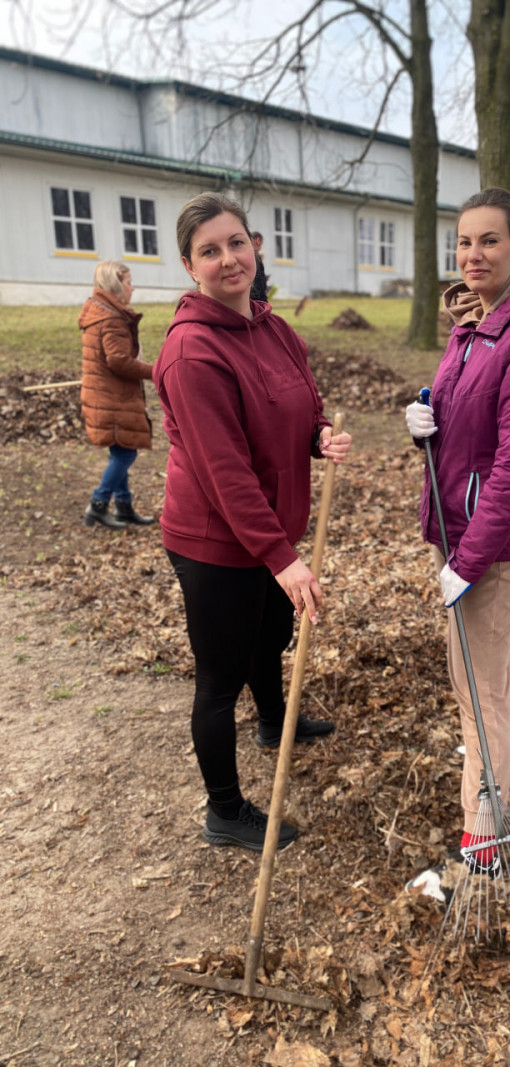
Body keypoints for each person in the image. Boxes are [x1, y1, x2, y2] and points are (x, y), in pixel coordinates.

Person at [153, 192, 352, 852]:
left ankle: (274, 721)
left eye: (236, 242)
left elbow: (303, 404)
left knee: (270, 634)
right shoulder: (191, 354)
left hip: (269, 533)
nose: (228, 259)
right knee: (219, 679)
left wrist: (320, 435)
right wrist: (282, 557)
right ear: (190, 266)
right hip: (215, 541)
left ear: (255, 246)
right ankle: (225, 810)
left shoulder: (273, 328)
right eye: (209, 251)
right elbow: (224, 469)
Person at [404, 188, 510, 901]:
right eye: (464, 242)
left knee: (473, 682)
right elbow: (462, 407)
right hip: (453, 522)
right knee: (492, 648)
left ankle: (486, 832)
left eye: (489, 242)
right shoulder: (472, 323)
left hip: (487, 539)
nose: (473, 255)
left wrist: (470, 561)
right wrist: (426, 413)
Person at [79, 261, 154, 529]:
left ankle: (123, 506)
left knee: (120, 449)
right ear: (115, 283)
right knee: (125, 454)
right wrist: (155, 371)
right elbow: (119, 361)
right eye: (129, 282)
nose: (132, 287)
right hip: (112, 396)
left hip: (105, 393)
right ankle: (98, 504)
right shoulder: (111, 317)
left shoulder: (100, 311)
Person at [249, 230, 268, 302]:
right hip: (257, 300)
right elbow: (257, 281)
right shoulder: (255, 256)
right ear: (258, 240)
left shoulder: (248, 255)